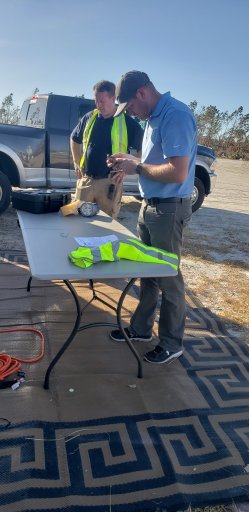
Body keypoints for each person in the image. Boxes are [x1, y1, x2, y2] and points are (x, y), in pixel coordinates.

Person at [108, 70, 197, 364]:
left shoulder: (175, 116)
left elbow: (177, 172)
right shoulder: (152, 117)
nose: (130, 113)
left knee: (169, 278)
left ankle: (172, 342)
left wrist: (138, 168)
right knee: (147, 272)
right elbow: (151, 163)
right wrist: (130, 162)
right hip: (152, 205)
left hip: (169, 209)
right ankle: (141, 328)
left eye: (130, 106)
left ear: (142, 94)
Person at [70, 80, 143, 218]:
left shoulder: (127, 122)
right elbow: (74, 138)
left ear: (113, 98)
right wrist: (76, 161)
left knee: (107, 228)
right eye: (96, 101)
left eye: (102, 101)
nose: (98, 105)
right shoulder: (89, 117)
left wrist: (129, 168)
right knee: (80, 223)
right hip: (86, 180)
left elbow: (143, 149)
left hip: (110, 183)